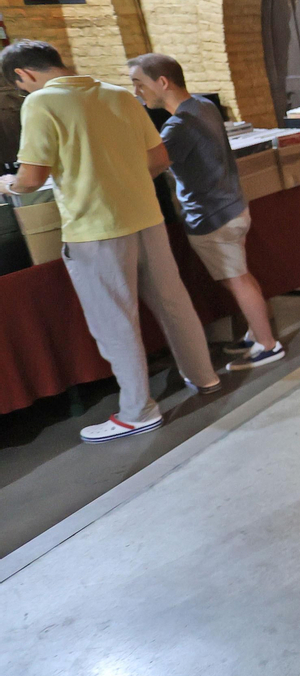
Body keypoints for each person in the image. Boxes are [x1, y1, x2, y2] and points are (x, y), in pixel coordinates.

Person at [0, 40, 222, 443]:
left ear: (23, 75)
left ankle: (138, 411)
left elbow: (31, 179)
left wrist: (11, 183)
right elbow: (159, 160)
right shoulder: (119, 94)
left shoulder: (40, 104)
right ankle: (205, 377)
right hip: (147, 219)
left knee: (115, 321)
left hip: (95, 230)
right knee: (174, 302)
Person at [128, 53, 284, 371]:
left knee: (236, 278)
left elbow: (146, 170)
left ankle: (268, 344)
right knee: (239, 276)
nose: (136, 93)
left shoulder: (179, 127)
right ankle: (257, 333)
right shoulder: (203, 105)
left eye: (138, 84)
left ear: (162, 82)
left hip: (212, 215)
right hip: (231, 205)